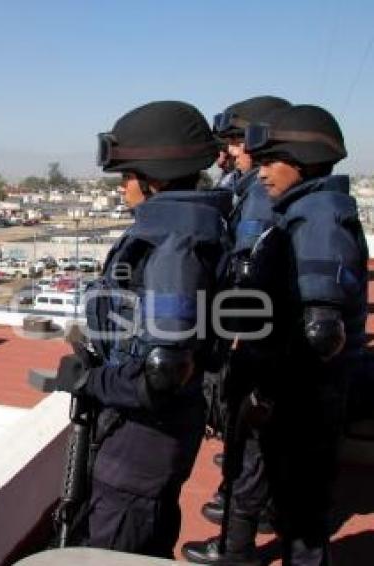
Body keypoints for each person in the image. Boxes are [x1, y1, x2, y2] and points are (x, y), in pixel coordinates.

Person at [74, 100, 231, 558]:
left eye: (127, 176)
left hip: (142, 447)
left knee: (117, 550)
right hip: (150, 443)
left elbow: (163, 373)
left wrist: (89, 380)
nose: (123, 189)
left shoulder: (173, 251)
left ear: (154, 177)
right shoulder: (182, 233)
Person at [243, 105, 367, 565]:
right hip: (304, 392)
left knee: (304, 522)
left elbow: (320, 332)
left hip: (307, 398)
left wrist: (269, 381)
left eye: (270, 162)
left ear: (304, 160)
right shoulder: (308, 210)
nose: (259, 174)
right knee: (298, 510)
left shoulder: (316, 218)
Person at [185, 95, 292, 565]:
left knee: (249, 436)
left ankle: (239, 538)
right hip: (254, 332)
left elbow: (245, 274)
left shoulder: (258, 199)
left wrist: (232, 337)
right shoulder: (254, 190)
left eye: (237, 142)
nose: (228, 153)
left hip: (252, 337)